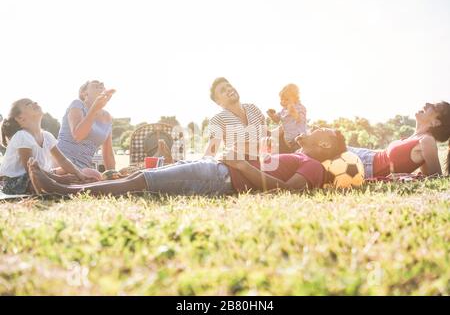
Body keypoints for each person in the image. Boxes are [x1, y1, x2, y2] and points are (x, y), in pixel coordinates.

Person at [27, 128, 347, 197]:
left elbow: (288, 192)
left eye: (323, 131)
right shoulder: (303, 155)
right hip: (218, 170)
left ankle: (62, 191)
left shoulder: (315, 166)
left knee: (140, 181)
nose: (316, 128)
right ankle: (70, 184)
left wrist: (243, 166)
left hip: (222, 177)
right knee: (141, 176)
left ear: (326, 144)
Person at [0, 99, 94, 194]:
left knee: (65, 175)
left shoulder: (47, 136)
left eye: (34, 102)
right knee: (37, 180)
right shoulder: (22, 136)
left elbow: (63, 160)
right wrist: (59, 179)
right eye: (28, 104)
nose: (35, 103)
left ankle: (58, 185)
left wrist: (79, 174)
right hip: (15, 181)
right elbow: (30, 170)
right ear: (20, 118)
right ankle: (59, 187)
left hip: (41, 175)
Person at [348, 101, 450, 178]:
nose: (427, 103)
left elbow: (435, 177)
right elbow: (426, 175)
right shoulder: (416, 138)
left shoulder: (427, 140)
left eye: (434, 107)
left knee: (332, 138)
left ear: (436, 123)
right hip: (365, 156)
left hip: (364, 165)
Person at [56, 80, 116, 175]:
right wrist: (94, 109)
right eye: (95, 84)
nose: (100, 84)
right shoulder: (77, 104)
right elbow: (78, 135)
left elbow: (108, 154)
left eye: (102, 85)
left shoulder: (107, 117)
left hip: (85, 167)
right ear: (84, 93)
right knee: (94, 175)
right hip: (64, 163)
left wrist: (113, 176)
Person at [205, 77, 267, 157]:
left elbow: (267, 135)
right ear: (217, 101)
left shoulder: (253, 108)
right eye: (223, 90)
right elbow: (209, 154)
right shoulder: (218, 119)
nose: (229, 89)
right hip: (243, 166)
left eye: (229, 86)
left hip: (267, 160)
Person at [267, 83, 307, 152]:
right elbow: (277, 120)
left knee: (298, 154)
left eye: (286, 99)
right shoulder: (283, 110)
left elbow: (300, 119)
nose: (283, 101)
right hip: (288, 140)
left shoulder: (300, 107)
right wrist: (272, 115)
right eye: (281, 99)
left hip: (298, 139)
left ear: (295, 98)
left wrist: (293, 112)